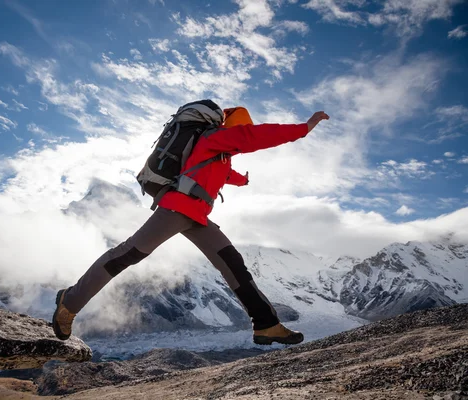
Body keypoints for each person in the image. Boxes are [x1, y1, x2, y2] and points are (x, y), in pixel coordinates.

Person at [53, 106, 330, 345]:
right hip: (177, 208)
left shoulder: (220, 154)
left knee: (233, 263)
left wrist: (241, 181)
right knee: (126, 255)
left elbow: (225, 173)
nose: (244, 131)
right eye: (243, 127)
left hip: (197, 215)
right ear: (234, 127)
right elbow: (253, 137)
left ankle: (266, 325)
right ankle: (70, 301)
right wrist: (303, 128)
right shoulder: (215, 137)